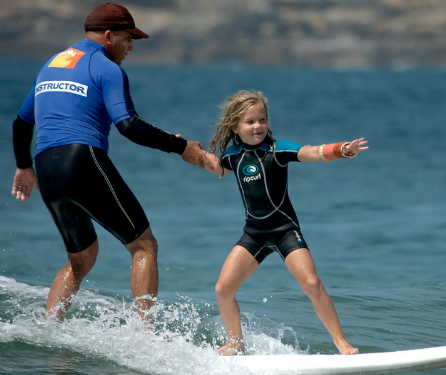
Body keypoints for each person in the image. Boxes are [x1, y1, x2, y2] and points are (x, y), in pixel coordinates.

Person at [10, 3, 206, 327]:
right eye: (128, 39)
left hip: (46, 167)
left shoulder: (51, 64)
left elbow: (21, 123)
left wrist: (23, 167)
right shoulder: (105, 68)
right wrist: (181, 146)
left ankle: (47, 328)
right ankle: (147, 339)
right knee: (144, 246)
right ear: (108, 36)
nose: (130, 47)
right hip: (81, 160)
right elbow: (128, 126)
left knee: (81, 258)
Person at [202, 90, 368, 355]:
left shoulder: (278, 150)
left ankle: (341, 342)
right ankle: (236, 343)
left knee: (312, 283)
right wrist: (193, 152)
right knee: (223, 289)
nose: (258, 126)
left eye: (262, 119)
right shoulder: (233, 156)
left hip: (284, 231)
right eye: (250, 121)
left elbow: (312, 152)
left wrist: (341, 150)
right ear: (236, 126)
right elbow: (217, 167)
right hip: (254, 234)